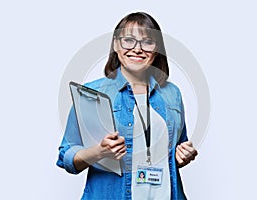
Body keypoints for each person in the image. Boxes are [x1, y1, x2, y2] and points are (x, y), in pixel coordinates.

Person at [56, 12, 198, 200]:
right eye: (129, 40)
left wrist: (184, 155)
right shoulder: (92, 94)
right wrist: (99, 152)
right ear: (116, 44)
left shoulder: (172, 94)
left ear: (157, 49)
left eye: (147, 42)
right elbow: (66, 156)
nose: (137, 49)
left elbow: (174, 153)